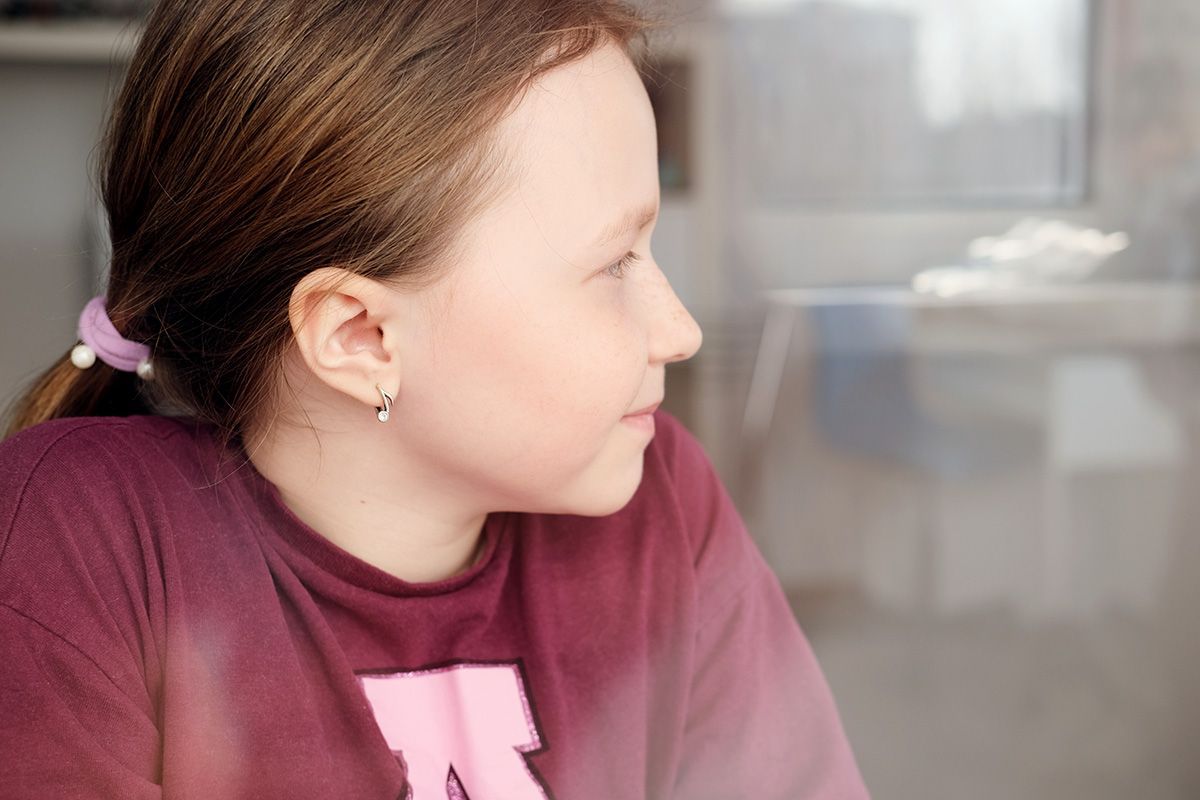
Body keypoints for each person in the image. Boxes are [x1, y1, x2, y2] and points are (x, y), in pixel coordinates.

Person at [0, 1, 870, 797]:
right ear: (361, 337)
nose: (680, 330)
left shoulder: (663, 507)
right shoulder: (75, 540)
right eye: (613, 265)